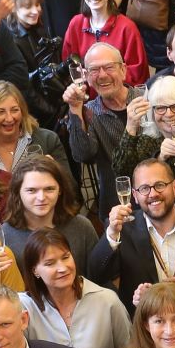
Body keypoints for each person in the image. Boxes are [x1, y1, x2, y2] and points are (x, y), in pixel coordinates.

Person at [86, 157, 175, 313]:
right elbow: (95, 276)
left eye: (160, 185)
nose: (153, 193)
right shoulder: (122, 229)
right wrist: (112, 235)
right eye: (144, 188)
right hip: (143, 327)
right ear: (135, 195)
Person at [63, 42, 135, 220]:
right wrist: (75, 108)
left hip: (155, 194)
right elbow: (82, 155)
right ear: (86, 76)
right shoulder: (88, 111)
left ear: (123, 70)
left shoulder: (145, 98)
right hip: (117, 205)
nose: (102, 75)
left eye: (109, 67)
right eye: (94, 70)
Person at [1, 154, 96, 273]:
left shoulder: (82, 227)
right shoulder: (1, 236)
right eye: (31, 190)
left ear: (60, 190)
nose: (41, 197)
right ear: (18, 192)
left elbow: (98, 276)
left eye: (49, 189)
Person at [61, 0, 149, 86]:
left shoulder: (127, 27)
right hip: (86, 98)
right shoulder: (75, 24)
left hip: (120, 97)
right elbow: (68, 64)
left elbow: (137, 72)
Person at [0, 80, 70, 194]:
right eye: (0, 112)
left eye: (15, 110)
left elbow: (70, 189)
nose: (9, 118)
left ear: (22, 111)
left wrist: (56, 173)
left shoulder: (48, 139)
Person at [113, 74, 175, 182]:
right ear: (152, 112)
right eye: (161, 108)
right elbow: (123, 174)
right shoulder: (147, 142)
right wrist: (160, 158)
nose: (169, 114)